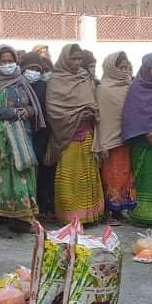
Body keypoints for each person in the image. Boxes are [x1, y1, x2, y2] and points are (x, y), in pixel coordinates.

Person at [0, 44, 43, 232]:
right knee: (3, 179)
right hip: (1, 142)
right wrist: (12, 112)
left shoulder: (22, 82)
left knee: (23, 175)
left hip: (22, 139)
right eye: (3, 62)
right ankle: (3, 216)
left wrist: (27, 111)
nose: (7, 65)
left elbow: (36, 108)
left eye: (11, 61)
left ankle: (23, 219)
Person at [46, 43, 104, 224]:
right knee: (70, 180)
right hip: (68, 139)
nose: (77, 62)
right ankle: (70, 218)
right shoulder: (55, 80)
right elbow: (53, 111)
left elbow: (94, 101)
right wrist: (78, 115)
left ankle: (90, 216)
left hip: (87, 136)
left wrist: (92, 112)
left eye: (79, 59)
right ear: (65, 58)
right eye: (73, 58)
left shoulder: (85, 78)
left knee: (87, 178)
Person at [122, 53, 152, 225]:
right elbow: (131, 114)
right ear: (145, 68)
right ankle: (141, 215)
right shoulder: (136, 88)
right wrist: (146, 132)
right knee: (144, 178)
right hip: (142, 142)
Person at [94, 51, 135, 224]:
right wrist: (102, 144)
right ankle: (110, 212)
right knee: (110, 177)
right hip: (109, 142)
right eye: (121, 67)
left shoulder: (130, 86)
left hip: (126, 139)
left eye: (126, 67)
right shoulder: (102, 89)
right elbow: (100, 119)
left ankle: (122, 209)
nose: (124, 71)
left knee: (125, 176)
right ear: (111, 68)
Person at [20, 51, 54, 221]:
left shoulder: (43, 86)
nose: (33, 72)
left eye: (37, 69)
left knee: (40, 172)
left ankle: (40, 206)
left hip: (40, 134)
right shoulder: (17, 84)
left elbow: (45, 108)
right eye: (30, 68)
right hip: (21, 133)